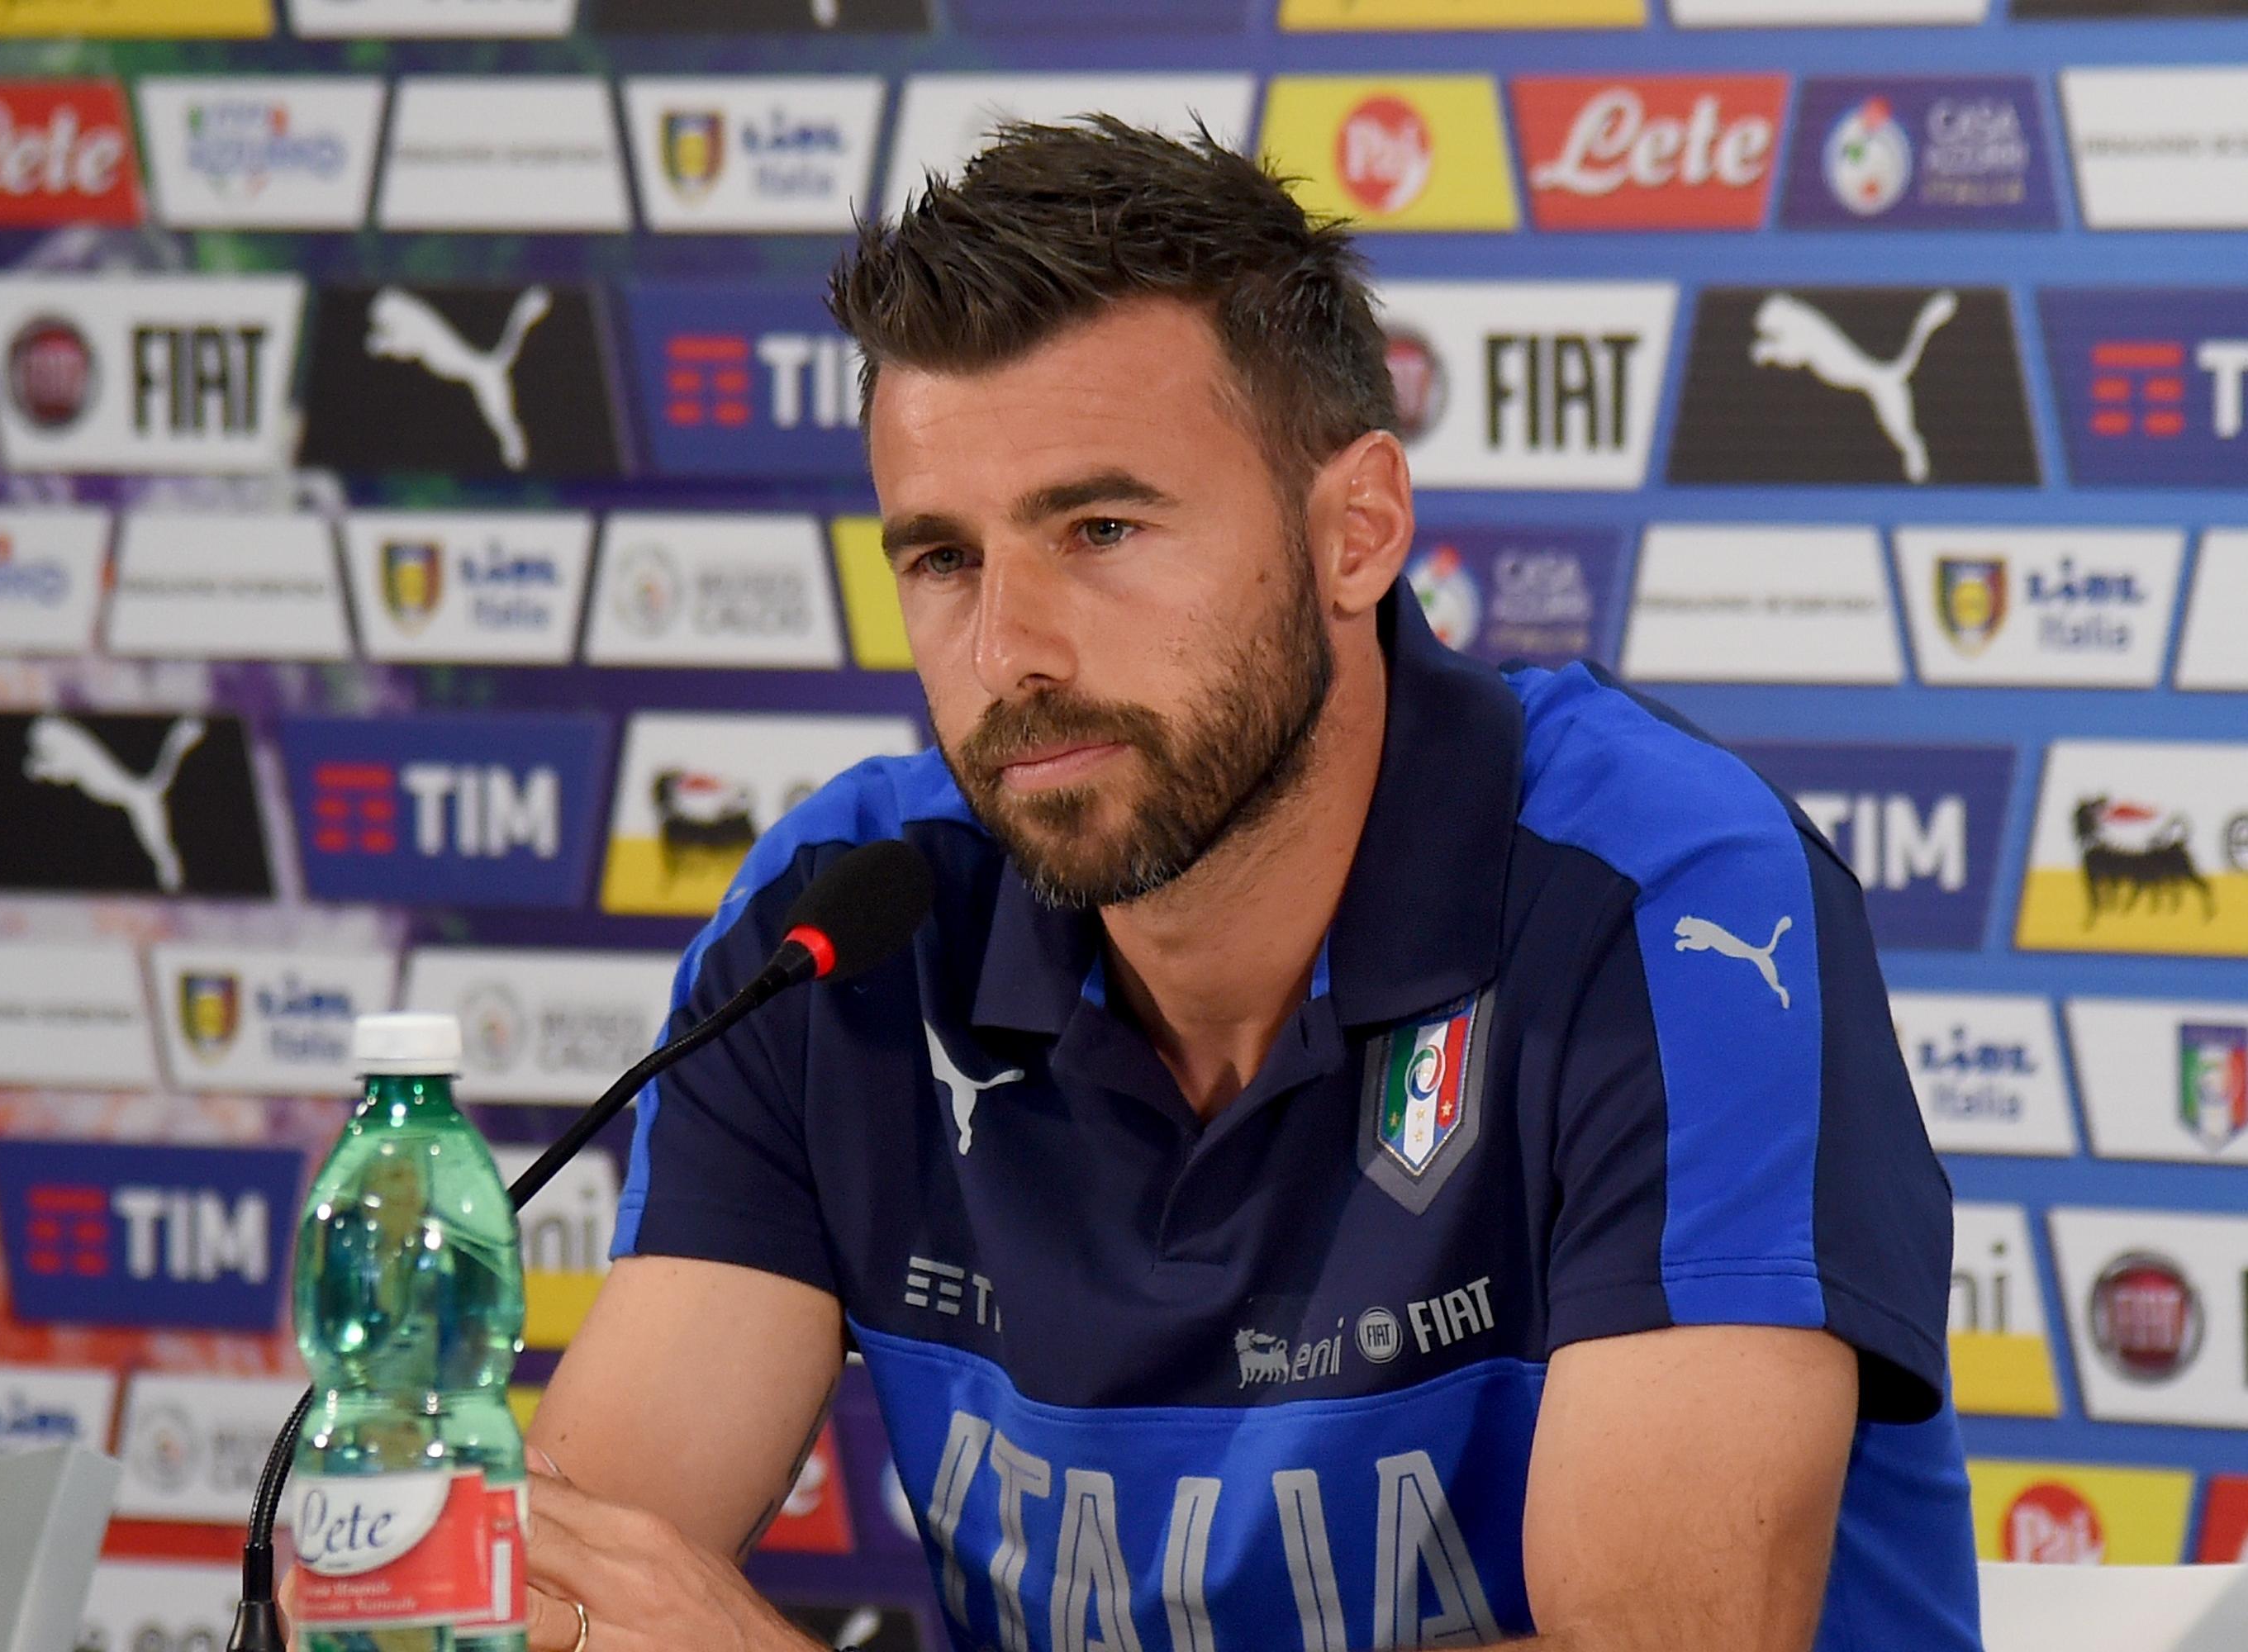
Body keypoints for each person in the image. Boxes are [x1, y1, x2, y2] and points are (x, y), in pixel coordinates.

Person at [519, 119, 1977, 1652]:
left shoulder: (1672, 904)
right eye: (943, 559)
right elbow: (563, 1589)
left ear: (1358, 533)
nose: (1011, 653)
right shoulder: (849, 923)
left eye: (1102, 530)